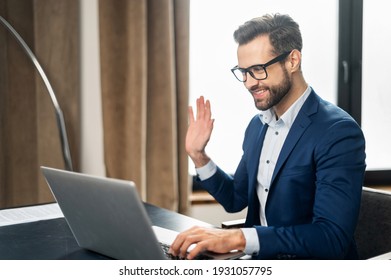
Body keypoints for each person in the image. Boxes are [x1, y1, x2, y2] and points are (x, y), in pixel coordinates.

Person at [169, 13, 366, 260]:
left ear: (293, 60)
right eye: (244, 72)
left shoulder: (338, 132)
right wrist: (199, 156)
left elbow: (331, 238)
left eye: (258, 69)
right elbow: (235, 198)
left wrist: (241, 238)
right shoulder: (258, 125)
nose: (249, 83)